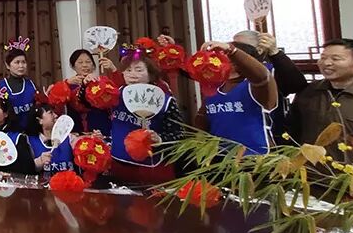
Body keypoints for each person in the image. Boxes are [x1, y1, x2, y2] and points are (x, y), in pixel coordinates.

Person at [105, 54, 183, 184]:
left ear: (150, 74)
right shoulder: (115, 95)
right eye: (128, 70)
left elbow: (179, 134)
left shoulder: (165, 100)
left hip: (152, 168)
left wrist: (160, 139)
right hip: (118, 163)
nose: (132, 74)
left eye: (139, 70)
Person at [196, 40, 278, 156]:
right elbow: (202, 123)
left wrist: (231, 50)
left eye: (224, 54)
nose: (220, 56)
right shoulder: (214, 88)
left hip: (256, 159)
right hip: (220, 160)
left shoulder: (258, 86)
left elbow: (262, 76)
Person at [287, 39, 353, 162]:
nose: (326, 63)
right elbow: (293, 131)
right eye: (323, 58)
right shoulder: (309, 91)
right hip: (312, 170)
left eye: (336, 59)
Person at [232, 30, 307, 139]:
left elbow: (296, 85)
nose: (235, 52)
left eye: (240, 47)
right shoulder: (227, 72)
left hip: (270, 137)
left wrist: (275, 53)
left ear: (260, 49)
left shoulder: (271, 71)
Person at [63, 49, 113, 136]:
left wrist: (113, 69)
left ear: (93, 65)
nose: (85, 65)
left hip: (101, 129)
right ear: (73, 66)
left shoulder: (102, 83)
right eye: (80, 62)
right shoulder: (67, 85)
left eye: (88, 62)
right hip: (77, 130)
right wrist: (66, 83)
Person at [25, 102, 74, 178]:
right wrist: (39, 162)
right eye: (51, 113)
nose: (56, 115)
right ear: (40, 120)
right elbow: (26, 169)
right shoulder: (30, 142)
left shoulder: (69, 138)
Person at [0, 40, 37, 130]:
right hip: (9, 133)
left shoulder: (31, 84)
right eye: (17, 62)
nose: (21, 66)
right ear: (8, 65)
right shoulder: (0, 87)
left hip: (31, 132)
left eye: (23, 62)